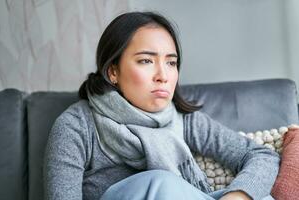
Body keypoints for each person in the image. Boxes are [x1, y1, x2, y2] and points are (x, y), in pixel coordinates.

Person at [44, 11, 280, 200]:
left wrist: (239, 196)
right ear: (113, 71)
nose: (163, 75)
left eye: (171, 62)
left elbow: (261, 155)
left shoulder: (182, 119)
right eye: (146, 61)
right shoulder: (76, 126)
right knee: (159, 182)